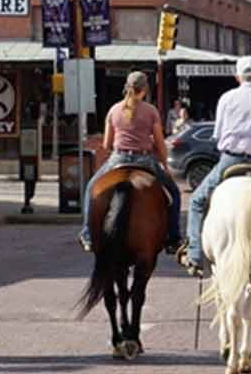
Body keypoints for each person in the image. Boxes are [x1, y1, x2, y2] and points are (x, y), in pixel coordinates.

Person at [179, 56, 251, 277]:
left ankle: (194, 254)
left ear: (237, 77)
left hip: (230, 160)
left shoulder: (226, 99)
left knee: (197, 201)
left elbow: (219, 136)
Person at [78, 71, 183, 255]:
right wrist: (164, 163)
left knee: (91, 188)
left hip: (118, 158)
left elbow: (107, 144)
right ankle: (173, 238)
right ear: (144, 90)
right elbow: (159, 142)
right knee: (174, 193)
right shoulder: (151, 111)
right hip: (145, 159)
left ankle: (87, 233)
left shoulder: (114, 110)